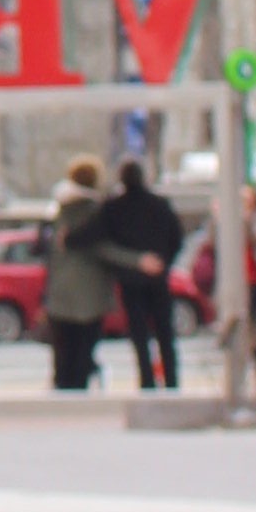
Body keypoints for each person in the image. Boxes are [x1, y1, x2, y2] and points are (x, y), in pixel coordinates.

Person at [99, 154, 184, 390]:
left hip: (130, 280)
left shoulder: (113, 209)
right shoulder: (160, 205)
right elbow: (176, 239)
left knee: (139, 334)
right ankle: (171, 381)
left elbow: (106, 243)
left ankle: (147, 380)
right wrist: (163, 263)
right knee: (165, 333)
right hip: (158, 279)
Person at [42, 152, 114, 390]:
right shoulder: (98, 212)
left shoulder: (57, 211)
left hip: (60, 293)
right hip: (91, 293)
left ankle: (62, 396)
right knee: (84, 353)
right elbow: (106, 249)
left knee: (63, 356)